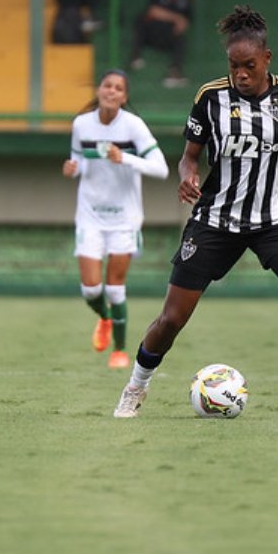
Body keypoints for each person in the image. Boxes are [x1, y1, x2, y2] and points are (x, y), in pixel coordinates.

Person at [112, 5, 278, 421]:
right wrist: (188, 176)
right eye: (234, 65)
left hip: (275, 221)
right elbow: (189, 158)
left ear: (267, 59)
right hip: (216, 221)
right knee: (172, 318)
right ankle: (135, 387)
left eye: (249, 65)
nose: (240, 73)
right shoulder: (210, 98)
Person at [63, 70, 169, 369]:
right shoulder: (81, 124)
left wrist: (126, 158)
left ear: (124, 96)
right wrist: (74, 168)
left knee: (115, 288)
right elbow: (80, 160)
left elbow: (160, 169)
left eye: (118, 88)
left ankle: (120, 351)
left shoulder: (133, 126)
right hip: (90, 216)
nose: (111, 91)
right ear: (99, 90)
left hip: (125, 218)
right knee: (91, 289)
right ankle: (106, 319)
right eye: (107, 85)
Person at [127, 0, 193, 88]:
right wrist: (176, 18)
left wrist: (178, 21)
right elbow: (153, 11)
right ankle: (135, 57)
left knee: (181, 40)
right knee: (141, 21)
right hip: (152, 33)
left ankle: (174, 72)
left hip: (169, 36)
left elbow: (185, 22)